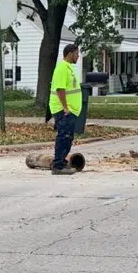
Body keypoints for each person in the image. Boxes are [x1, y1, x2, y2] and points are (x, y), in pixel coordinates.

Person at [50, 43, 83, 174]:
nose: (78, 56)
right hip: (63, 110)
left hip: (71, 110)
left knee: (68, 137)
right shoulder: (62, 68)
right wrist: (65, 107)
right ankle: (58, 166)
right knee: (63, 136)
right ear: (70, 54)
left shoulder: (68, 68)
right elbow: (60, 89)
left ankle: (62, 161)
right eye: (76, 53)